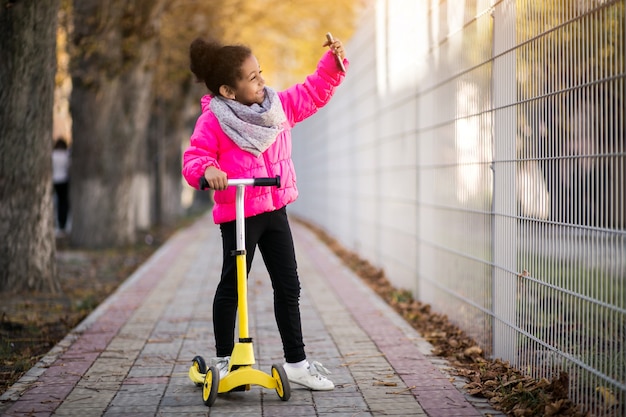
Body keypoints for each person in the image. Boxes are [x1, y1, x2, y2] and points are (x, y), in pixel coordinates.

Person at [182, 35, 347, 391]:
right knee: (233, 287)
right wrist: (207, 170)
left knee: (289, 286)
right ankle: (226, 359)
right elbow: (195, 156)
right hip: (239, 214)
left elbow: (311, 92)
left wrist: (331, 66)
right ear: (228, 90)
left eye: (260, 73)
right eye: (252, 78)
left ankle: (297, 363)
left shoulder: (276, 106)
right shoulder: (214, 120)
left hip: (275, 211)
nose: (261, 81)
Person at [52, 137, 70, 236]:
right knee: (63, 203)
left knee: (56, 201)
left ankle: (56, 222)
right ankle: (62, 223)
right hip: (63, 180)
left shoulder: (53, 155)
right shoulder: (66, 155)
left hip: (54, 180)